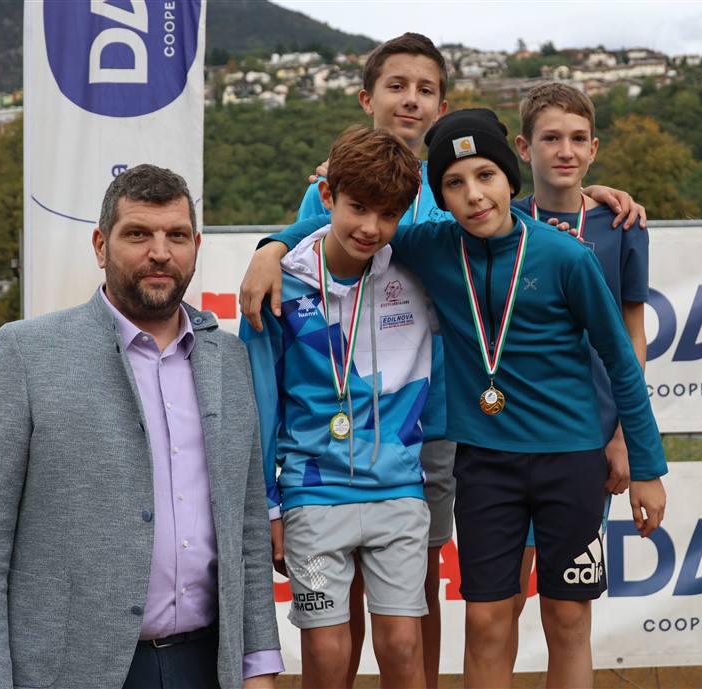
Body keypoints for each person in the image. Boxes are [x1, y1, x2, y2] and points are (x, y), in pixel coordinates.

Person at [237, 33, 648, 687]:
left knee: (426, 599)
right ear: (367, 98)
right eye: (396, 86)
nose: (410, 100)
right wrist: (269, 247)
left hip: (445, 432)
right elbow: (321, 233)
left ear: (442, 105)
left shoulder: (469, 192)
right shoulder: (339, 192)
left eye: (425, 89)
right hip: (342, 453)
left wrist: (589, 195)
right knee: (351, 621)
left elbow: (522, 225)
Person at [0, 164, 282, 689]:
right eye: (138, 234)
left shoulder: (229, 359)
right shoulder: (25, 354)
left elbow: (248, 530)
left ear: (196, 246)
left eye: (176, 236)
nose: (160, 253)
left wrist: (258, 663)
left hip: (207, 666)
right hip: (70, 672)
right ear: (101, 246)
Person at [240, 126, 434, 688]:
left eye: (388, 214)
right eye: (358, 208)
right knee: (326, 654)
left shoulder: (421, 272)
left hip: (398, 490)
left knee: (403, 646)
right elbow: (259, 403)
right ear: (326, 196)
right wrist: (269, 506)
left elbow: (496, 225)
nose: (371, 227)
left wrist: (582, 199)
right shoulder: (279, 283)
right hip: (311, 495)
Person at [504, 81, 653, 670]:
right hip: (509, 443)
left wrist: (622, 437)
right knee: (502, 605)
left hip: (588, 442)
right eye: (550, 138)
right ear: (524, 148)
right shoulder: (500, 221)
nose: (564, 151)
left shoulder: (622, 224)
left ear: (594, 148)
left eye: (577, 139)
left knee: (568, 614)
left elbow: (633, 337)